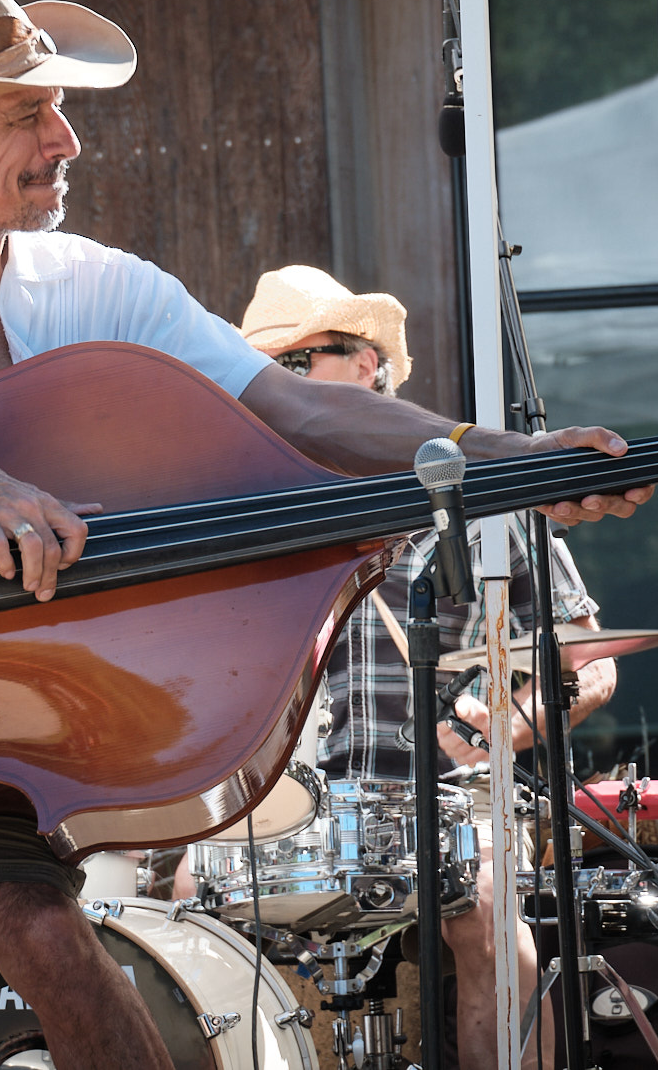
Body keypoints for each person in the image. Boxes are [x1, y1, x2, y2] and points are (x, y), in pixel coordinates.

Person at [0, 0, 645, 1070]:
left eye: (59, 112)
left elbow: (298, 409)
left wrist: (506, 463)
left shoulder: (99, 284)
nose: (67, 141)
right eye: (29, 117)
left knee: (52, 941)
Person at [239, 264, 619, 1070]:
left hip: (452, 799)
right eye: (277, 372)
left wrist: (513, 725)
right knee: (181, 915)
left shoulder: (479, 502)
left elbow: (591, 661)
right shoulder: (256, 508)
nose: (290, 386)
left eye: (306, 361)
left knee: (483, 913)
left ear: (369, 365)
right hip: (299, 813)